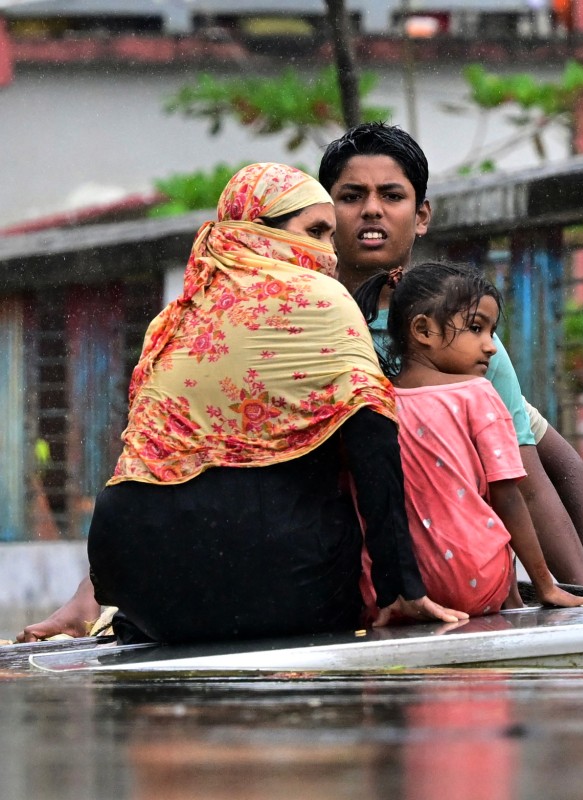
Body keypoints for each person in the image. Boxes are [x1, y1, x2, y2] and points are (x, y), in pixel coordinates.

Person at [26, 163, 467, 644]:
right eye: (315, 231)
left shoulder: (175, 319)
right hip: (278, 582)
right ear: (257, 230)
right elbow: (373, 445)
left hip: (146, 590)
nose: (327, 251)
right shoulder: (321, 297)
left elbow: (144, 468)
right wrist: (398, 588)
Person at [319, 122, 583, 588]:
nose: (372, 209)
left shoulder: (455, 333)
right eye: (352, 196)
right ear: (325, 213)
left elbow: (530, 484)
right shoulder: (302, 321)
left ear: (421, 216)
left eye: (392, 196)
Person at [356, 261, 583, 618]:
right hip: (476, 581)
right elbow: (508, 496)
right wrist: (544, 585)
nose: (491, 346)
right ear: (423, 330)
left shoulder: (374, 401)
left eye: (491, 332)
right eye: (477, 329)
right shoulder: (476, 395)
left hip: (392, 589)